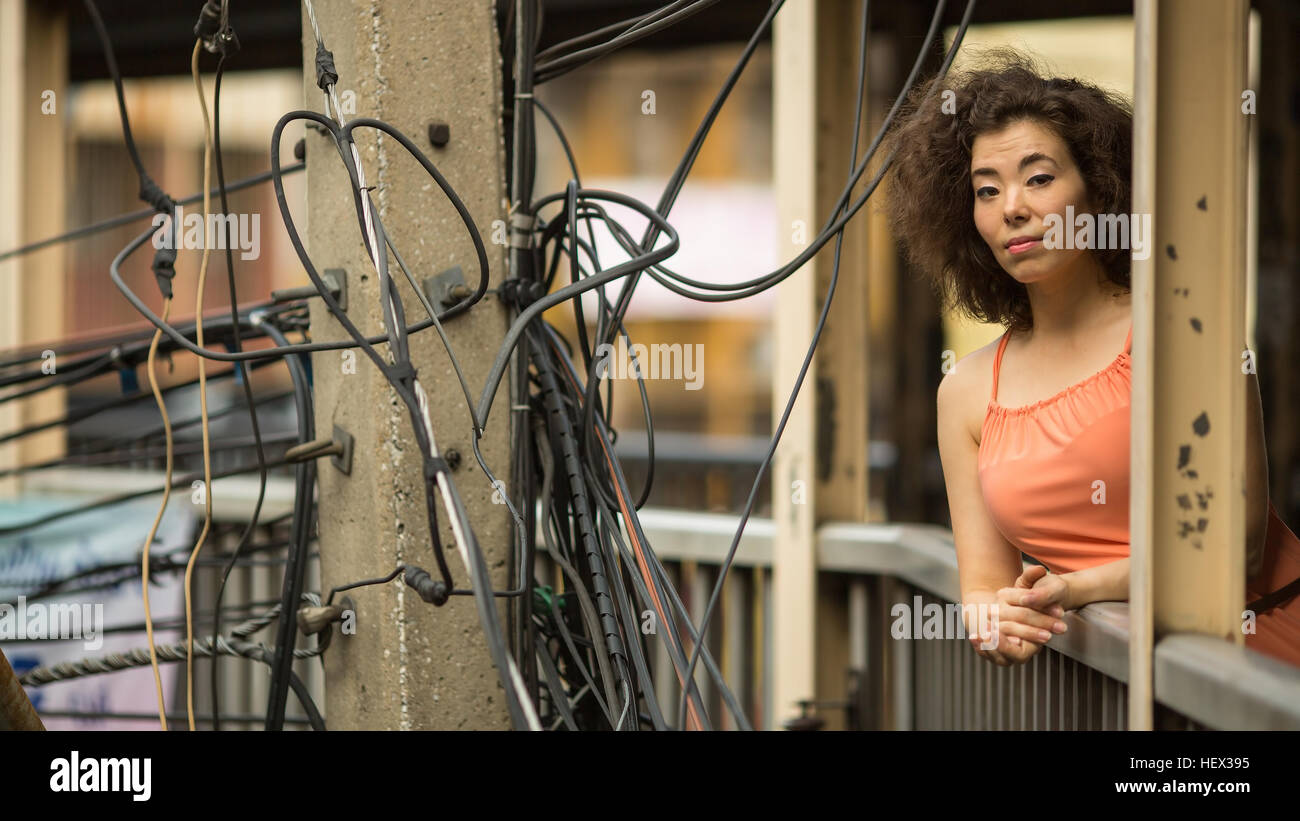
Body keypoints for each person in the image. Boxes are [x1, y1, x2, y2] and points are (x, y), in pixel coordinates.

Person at [882, 49, 1300, 669]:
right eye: (986, 190)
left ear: (1101, 190)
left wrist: (1078, 587)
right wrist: (996, 626)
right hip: (1126, 687)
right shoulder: (967, 392)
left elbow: (1230, 545)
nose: (1011, 208)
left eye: (1040, 178)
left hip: (1259, 663)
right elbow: (984, 590)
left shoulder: (1185, 337)